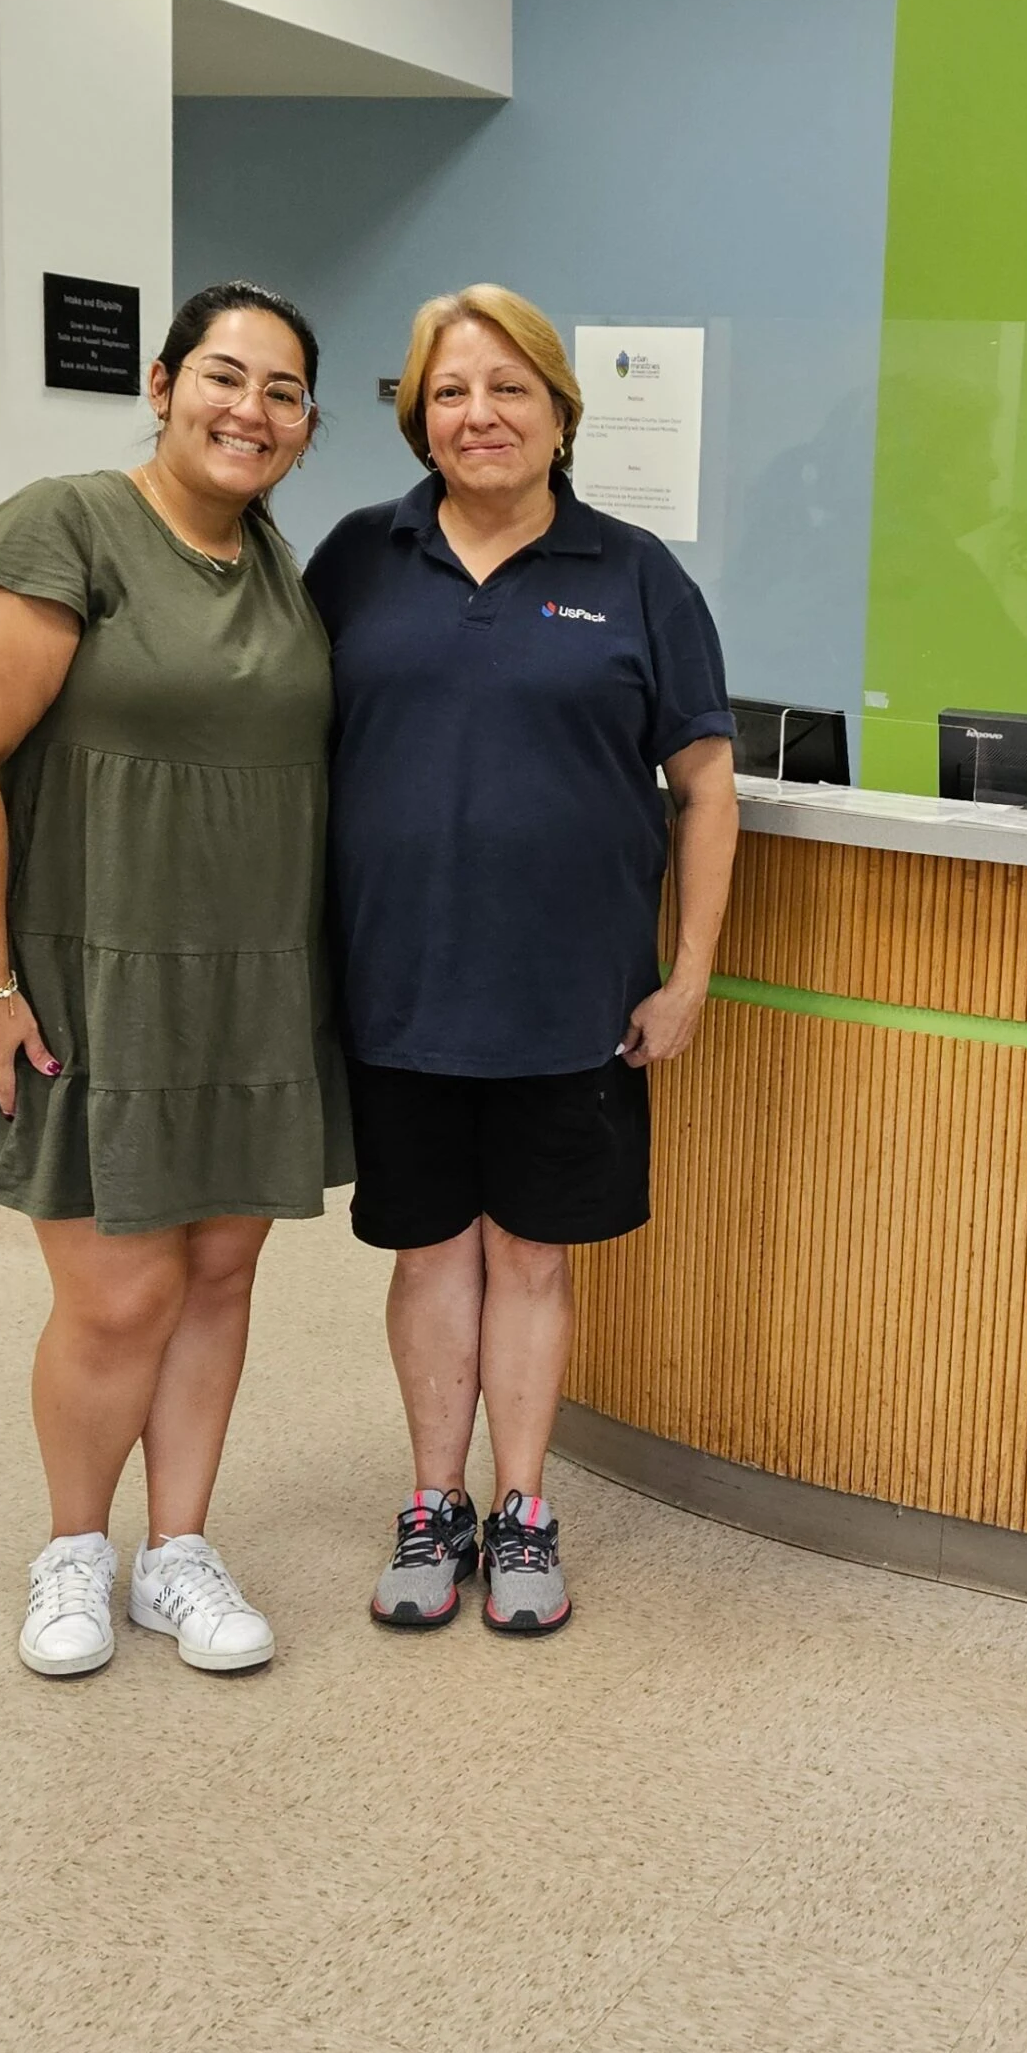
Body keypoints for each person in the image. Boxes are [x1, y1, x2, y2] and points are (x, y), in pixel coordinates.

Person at [305, 285, 737, 1638]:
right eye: (448, 391)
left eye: (508, 390)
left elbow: (706, 784)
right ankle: (434, 1507)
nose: (478, 414)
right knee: (431, 1254)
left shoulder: (637, 576)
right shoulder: (357, 560)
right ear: (417, 416)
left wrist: (690, 969)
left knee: (533, 1260)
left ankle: (525, 1509)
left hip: (573, 998)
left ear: (560, 411)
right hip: (401, 988)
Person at [0, 281, 348, 1679]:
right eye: (226, 377)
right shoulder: (65, 525)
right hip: (94, 969)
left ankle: (177, 1551)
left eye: (283, 392)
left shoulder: (280, 565)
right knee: (119, 1289)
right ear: (163, 380)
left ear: (307, 429)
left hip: (254, 973)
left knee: (221, 1274)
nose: (250, 409)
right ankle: (75, 1549)